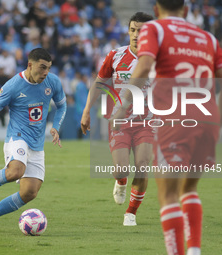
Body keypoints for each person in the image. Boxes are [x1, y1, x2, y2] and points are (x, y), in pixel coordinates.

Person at [111, 1, 222, 254]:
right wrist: (217, 123)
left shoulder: (154, 30)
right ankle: (195, 250)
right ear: (187, 11)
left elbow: (144, 67)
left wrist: (123, 105)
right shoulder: (208, 38)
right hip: (206, 116)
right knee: (189, 189)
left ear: (156, 10)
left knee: (168, 195)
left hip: (175, 118)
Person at [0, 48, 67, 233]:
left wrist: (56, 126)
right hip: (17, 137)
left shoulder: (53, 81)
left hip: (37, 144)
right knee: (16, 171)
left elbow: (62, 107)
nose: (45, 72)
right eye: (42, 67)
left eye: (48, 68)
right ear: (30, 65)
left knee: (29, 193)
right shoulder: (13, 85)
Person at [80, 12, 154, 226]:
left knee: (142, 165)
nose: (136, 34)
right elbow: (98, 83)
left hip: (147, 122)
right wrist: (86, 111)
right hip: (120, 122)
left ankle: (131, 213)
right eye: (133, 30)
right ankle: (120, 182)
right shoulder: (116, 55)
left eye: (141, 31)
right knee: (121, 169)